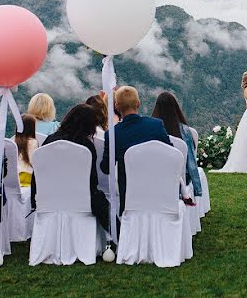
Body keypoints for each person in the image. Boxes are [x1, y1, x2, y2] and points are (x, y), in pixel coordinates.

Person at [32, 104, 110, 232]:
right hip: (79, 200)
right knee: (101, 203)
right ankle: (120, 236)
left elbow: (38, 172)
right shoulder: (86, 147)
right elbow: (92, 180)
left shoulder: (50, 141)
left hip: (51, 197)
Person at [100, 86, 176, 216]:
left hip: (129, 197)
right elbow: (171, 154)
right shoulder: (156, 125)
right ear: (138, 104)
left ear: (116, 106)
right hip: (158, 191)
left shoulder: (112, 134)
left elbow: (106, 168)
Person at [152, 91, 203, 199]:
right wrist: (197, 189)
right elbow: (191, 162)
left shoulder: (150, 130)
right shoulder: (184, 131)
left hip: (155, 177)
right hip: (179, 180)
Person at [14, 114, 39, 188]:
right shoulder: (33, 143)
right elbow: (33, 162)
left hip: (15, 179)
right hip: (28, 179)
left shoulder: (13, 142)